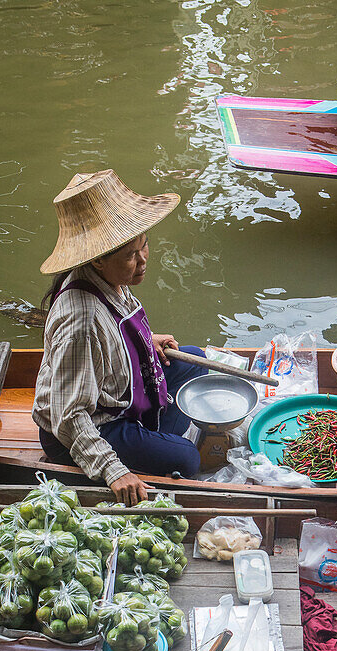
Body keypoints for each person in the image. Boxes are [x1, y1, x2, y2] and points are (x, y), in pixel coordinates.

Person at [33, 169, 207, 505]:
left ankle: (149, 439)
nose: (142, 261)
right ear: (98, 260)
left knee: (195, 362)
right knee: (187, 459)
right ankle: (148, 444)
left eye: (144, 246)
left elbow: (115, 329)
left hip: (113, 391)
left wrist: (145, 342)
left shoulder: (109, 279)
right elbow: (68, 415)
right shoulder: (79, 322)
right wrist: (113, 470)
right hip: (90, 423)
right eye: (130, 255)